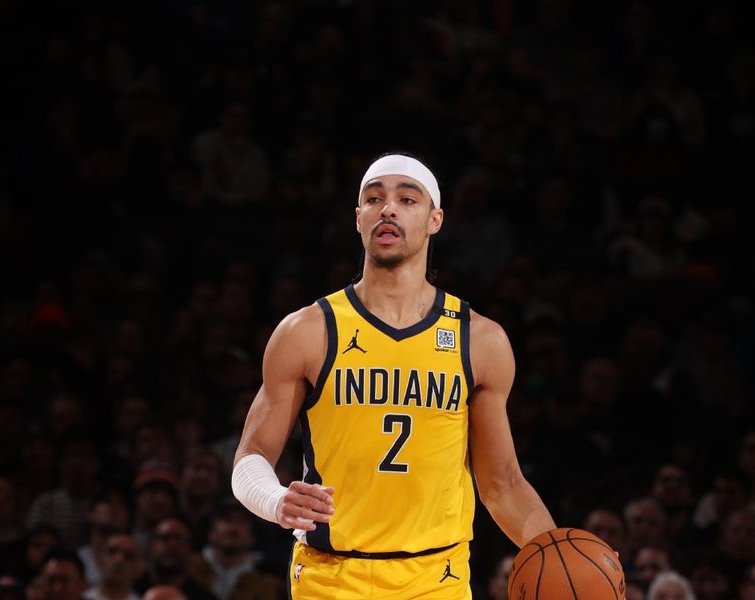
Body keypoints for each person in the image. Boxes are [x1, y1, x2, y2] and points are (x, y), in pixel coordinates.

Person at [230, 152, 556, 598]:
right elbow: (250, 458)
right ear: (359, 219)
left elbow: (502, 484)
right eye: (374, 198)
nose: (388, 208)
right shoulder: (308, 331)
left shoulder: (480, 340)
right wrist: (275, 500)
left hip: (436, 579)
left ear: (434, 219)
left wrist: (558, 555)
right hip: (331, 578)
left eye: (408, 199)